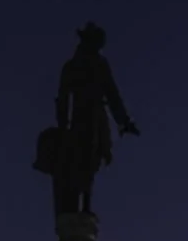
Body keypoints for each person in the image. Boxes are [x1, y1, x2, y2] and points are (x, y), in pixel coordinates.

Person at [37, 22, 138, 217]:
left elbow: (111, 93)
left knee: (91, 161)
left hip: (94, 118)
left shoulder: (96, 64)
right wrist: (63, 124)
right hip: (80, 117)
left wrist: (124, 121)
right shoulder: (74, 66)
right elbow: (64, 97)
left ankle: (86, 206)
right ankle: (78, 206)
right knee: (79, 160)